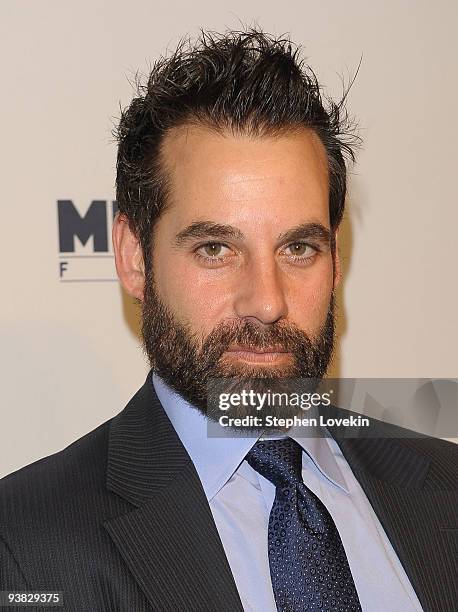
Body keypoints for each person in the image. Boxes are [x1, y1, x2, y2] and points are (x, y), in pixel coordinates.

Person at [0, 29, 455, 612]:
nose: (267, 302)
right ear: (134, 258)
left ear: (337, 258)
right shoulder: (26, 545)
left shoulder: (447, 488)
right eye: (216, 248)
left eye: (299, 248)